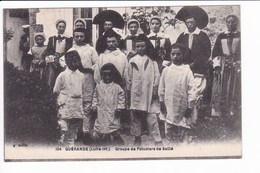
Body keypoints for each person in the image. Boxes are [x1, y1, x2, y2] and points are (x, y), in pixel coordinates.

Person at [60, 28, 98, 145]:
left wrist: (88, 69)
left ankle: (86, 132)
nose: (79, 38)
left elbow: (96, 64)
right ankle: (76, 132)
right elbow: (63, 61)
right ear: (74, 37)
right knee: (76, 106)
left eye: (81, 36)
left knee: (87, 107)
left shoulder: (91, 49)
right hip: (74, 80)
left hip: (87, 80)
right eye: (76, 36)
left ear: (85, 36)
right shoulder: (71, 49)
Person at [158, 43, 197, 144]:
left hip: (182, 105)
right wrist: (161, 102)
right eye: (173, 54)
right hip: (169, 104)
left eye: (178, 54)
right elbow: (161, 87)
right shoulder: (166, 70)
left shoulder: (187, 71)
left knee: (182, 131)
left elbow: (192, 90)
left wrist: (189, 107)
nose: (175, 57)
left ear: (183, 55)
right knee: (170, 129)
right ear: (170, 55)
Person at [127, 34, 162, 146]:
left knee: (151, 117)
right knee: (135, 116)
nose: (140, 48)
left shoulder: (152, 61)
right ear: (135, 47)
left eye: (143, 46)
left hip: (149, 92)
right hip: (136, 92)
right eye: (138, 46)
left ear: (146, 46)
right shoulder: (132, 61)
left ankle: (157, 139)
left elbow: (157, 76)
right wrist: (128, 91)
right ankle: (137, 138)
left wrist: (155, 89)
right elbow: (128, 78)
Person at [176, 12, 211, 119]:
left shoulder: (202, 36)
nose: (190, 24)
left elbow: (206, 53)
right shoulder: (182, 36)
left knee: (196, 92)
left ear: (196, 22)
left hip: (198, 69)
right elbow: (177, 50)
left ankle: (195, 119)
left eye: (192, 22)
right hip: (184, 68)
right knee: (183, 91)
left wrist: (195, 63)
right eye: (187, 22)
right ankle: (182, 117)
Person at [211, 15, 241, 117]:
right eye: (228, 22)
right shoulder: (221, 36)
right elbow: (216, 52)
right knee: (220, 84)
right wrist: (217, 66)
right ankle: (219, 110)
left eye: (233, 22)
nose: (230, 24)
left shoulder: (240, 35)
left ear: (236, 23)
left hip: (235, 64)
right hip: (223, 64)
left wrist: (238, 62)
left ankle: (232, 109)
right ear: (226, 23)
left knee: (234, 85)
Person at [53, 50, 85, 146]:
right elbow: (56, 90)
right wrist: (58, 102)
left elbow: (82, 89)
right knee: (63, 124)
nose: (75, 63)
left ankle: (71, 142)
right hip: (65, 102)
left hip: (76, 103)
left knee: (74, 124)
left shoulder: (81, 75)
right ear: (67, 62)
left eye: (77, 61)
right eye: (72, 61)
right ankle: (61, 139)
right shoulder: (62, 75)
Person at [92, 63, 125, 146]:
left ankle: (118, 140)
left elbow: (121, 97)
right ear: (101, 75)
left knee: (113, 127)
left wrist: (119, 108)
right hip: (101, 111)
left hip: (112, 110)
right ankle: (99, 140)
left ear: (113, 76)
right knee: (100, 127)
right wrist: (94, 106)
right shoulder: (98, 87)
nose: (107, 77)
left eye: (109, 75)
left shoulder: (117, 87)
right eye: (105, 75)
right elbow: (95, 97)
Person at [44, 19, 73, 89]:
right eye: (60, 27)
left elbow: (70, 50)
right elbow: (49, 50)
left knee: (65, 74)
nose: (61, 28)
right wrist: (53, 58)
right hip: (54, 58)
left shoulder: (69, 38)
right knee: (52, 73)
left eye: (63, 27)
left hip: (64, 58)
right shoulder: (52, 38)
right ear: (57, 27)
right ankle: (51, 89)